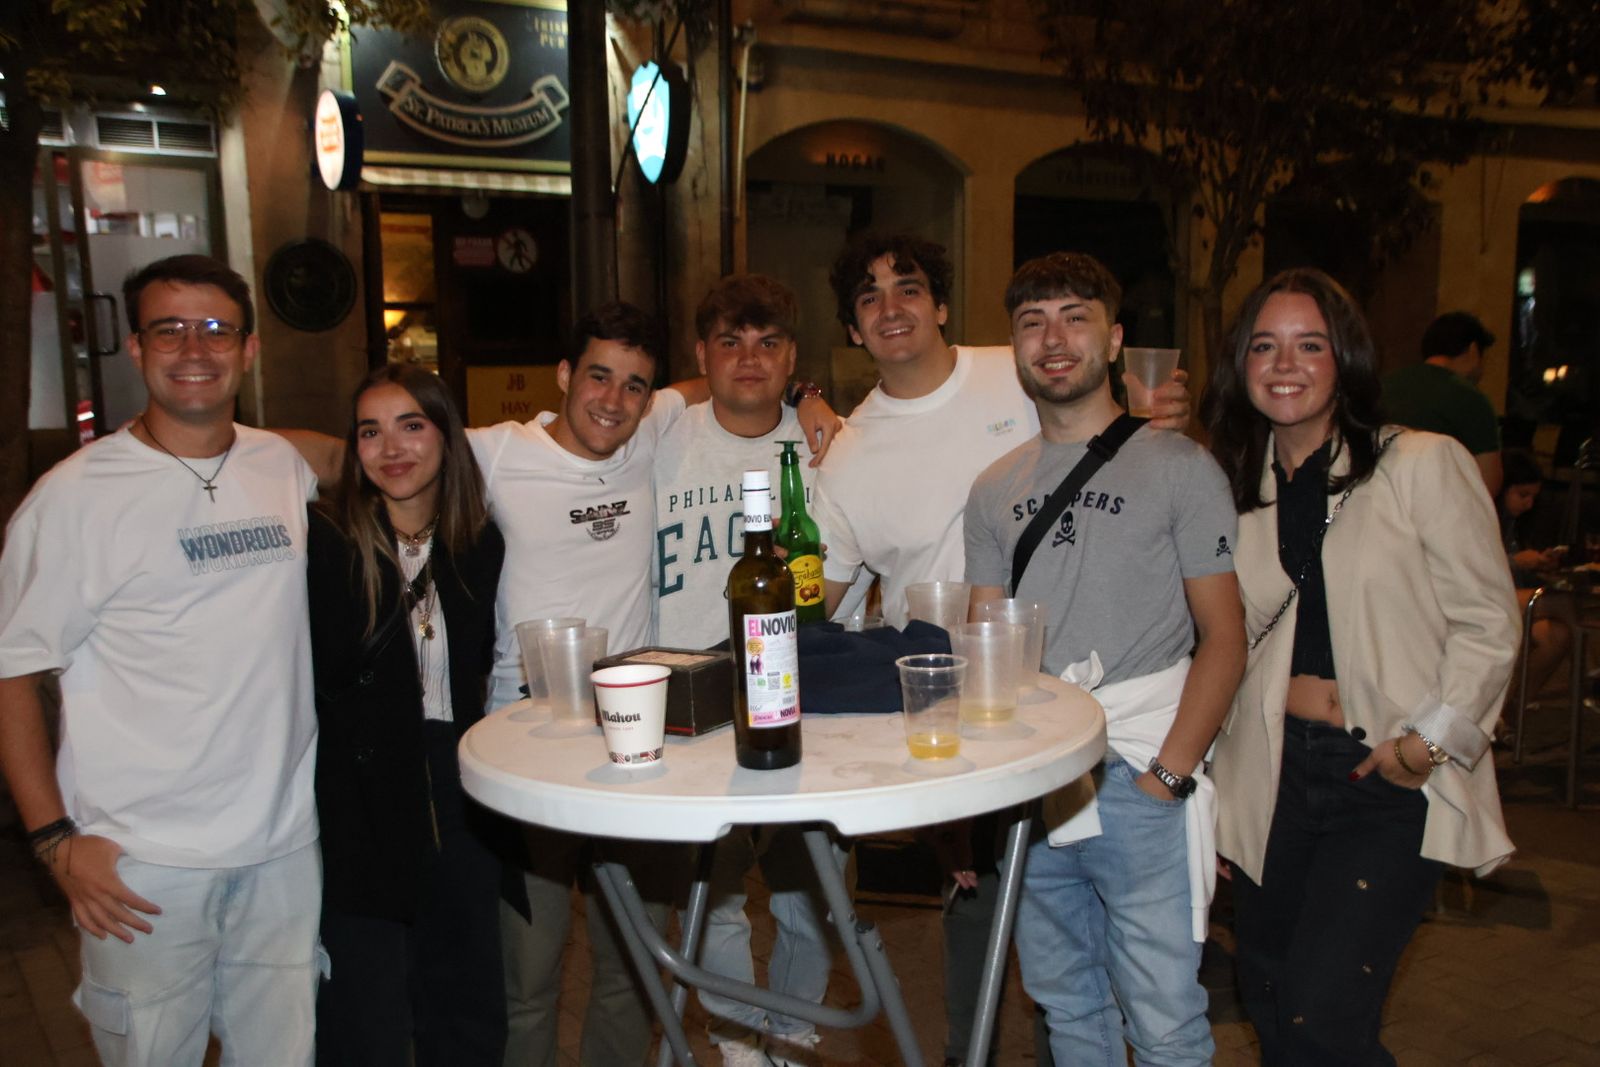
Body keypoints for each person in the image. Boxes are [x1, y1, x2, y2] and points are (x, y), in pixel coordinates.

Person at [811, 232, 1192, 1065]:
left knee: (1138, 979)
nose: (891, 308)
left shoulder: (1023, 365)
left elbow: (1122, 429)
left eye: (908, 288)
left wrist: (1164, 416)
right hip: (970, 716)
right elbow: (822, 605)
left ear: (942, 305)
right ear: (852, 328)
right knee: (994, 931)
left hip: (1109, 702)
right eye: (868, 298)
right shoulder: (843, 455)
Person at [0, 255, 320, 1065]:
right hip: (143, 867)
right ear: (136, 350)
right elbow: (12, 672)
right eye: (168, 328)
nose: (194, 348)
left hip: (283, 847)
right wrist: (52, 841)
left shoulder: (280, 467)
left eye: (216, 328)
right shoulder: (74, 497)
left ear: (248, 350)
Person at [1202, 268, 1519, 1065]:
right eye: (1265, 345)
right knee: (1271, 999)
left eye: (1310, 344)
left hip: (1379, 772)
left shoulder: (1419, 463)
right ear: (1241, 364)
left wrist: (1427, 745)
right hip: (1270, 773)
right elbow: (1218, 640)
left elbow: (1488, 621)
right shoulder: (1233, 488)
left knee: (1323, 1019)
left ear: (1345, 359)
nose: (1285, 363)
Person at [963, 251, 1245, 1067]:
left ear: (1115, 339)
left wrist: (1169, 779)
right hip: (1037, 780)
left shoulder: (1181, 466)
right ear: (1014, 348)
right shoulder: (993, 487)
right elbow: (988, 643)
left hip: (1139, 769)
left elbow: (1223, 637)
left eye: (1074, 317)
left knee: (1163, 1019)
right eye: (1031, 321)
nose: (1052, 338)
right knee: (1067, 1005)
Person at [308, 364, 524, 1064]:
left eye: (411, 425)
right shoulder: (325, 544)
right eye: (370, 430)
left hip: (458, 792)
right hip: (361, 800)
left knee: (465, 1008)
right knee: (363, 1017)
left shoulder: (478, 542)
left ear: (444, 437)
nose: (391, 447)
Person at [653, 274, 841, 1067]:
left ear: (793, 356)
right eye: (729, 342)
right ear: (702, 354)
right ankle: (735, 1037)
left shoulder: (828, 444)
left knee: (812, 895)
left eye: (769, 343)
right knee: (714, 896)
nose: (749, 359)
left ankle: (791, 1032)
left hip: (805, 692)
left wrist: (817, 402)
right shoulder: (662, 430)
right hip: (691, 692)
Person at [1381, 310, 1503, 494]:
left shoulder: (1382, 385)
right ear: (1473, 349)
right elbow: (1486, 484)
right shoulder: (1469, 397)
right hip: (1433, 507)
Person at [1497, 448, 1572, 712]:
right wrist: (1516, 561)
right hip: (1482, 600)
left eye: (1533, 497)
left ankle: (1512, 710)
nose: (1528, 504)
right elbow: (1473, 566)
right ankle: (1595, 673)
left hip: (1508, 598)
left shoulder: (1514, 523)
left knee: (1557, 635)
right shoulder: (1483, 517)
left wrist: (1538, 565)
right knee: (1565, 604)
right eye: (1522, 495)